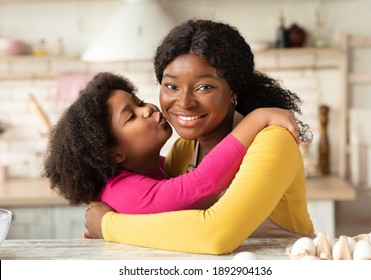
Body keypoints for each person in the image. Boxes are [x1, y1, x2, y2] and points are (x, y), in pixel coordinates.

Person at [84, 19, 315, 255]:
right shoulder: (185, 148)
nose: (184, 103)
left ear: (233, 89)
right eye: (171, 86)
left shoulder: (273, 140)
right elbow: (162, 221)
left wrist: (108, 224)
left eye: (204, 87)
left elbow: (216, 235)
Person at [43, 72, 299, 215]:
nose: (148, 110)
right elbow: (202, 183)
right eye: (131, 116)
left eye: (140, 102)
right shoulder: (123, 190)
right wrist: (256, 118)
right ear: (113, 153)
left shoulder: (161, 167)